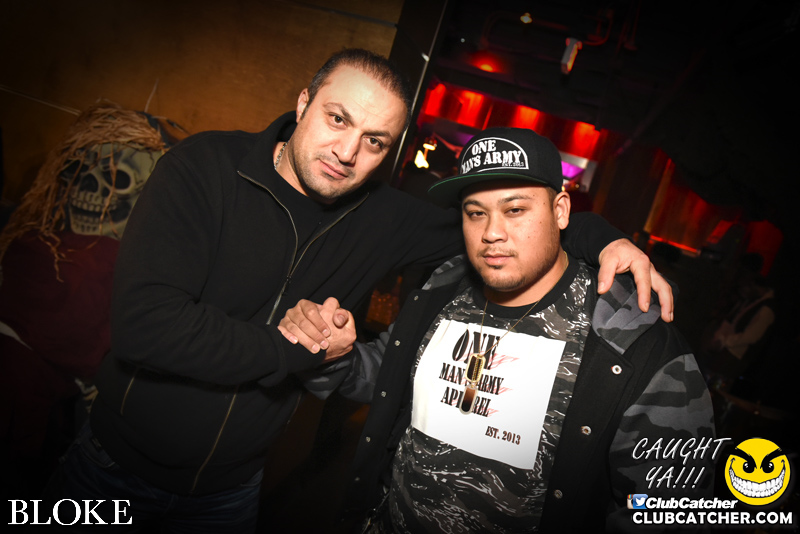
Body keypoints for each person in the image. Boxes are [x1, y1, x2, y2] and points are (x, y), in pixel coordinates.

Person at [43, 49, 673, 532]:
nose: (347, 152)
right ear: (303, 103)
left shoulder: (386, 216)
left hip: (230, 493)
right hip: (113, 473)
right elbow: (147, 327)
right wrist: (296, 351)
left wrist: (601, 237)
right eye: (337, 119)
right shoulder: (207, 168)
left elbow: (500, 220)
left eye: (375, 142)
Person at [284, 127, 714, 533]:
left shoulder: (630, 340)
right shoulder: (443, 287)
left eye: (515, 210)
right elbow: (389, 376)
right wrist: (336, 354)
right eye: (476, 213)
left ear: (560, 211)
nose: (491, 232)